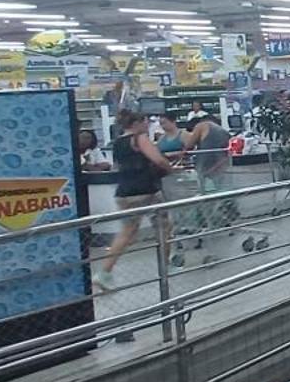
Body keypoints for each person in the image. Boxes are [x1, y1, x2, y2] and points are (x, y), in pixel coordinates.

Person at [95, 109, 178, 298]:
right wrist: (170, 168)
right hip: (146, 191)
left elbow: (119, 166)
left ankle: (105, 272)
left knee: (127, 232)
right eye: (145, 121)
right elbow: (157, 159)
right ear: (137, 123)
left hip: (124, 192)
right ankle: (165, 266)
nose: (148, 125)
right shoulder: (140, 138)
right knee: (164, 227)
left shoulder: (117, 143)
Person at [179, 109, 233, 266]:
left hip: (203, 168)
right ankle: (218, 223)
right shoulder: (224, 132)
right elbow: (226, 155)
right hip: (219, 168)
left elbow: (188, 146)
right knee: (217, 198)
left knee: (203, 199)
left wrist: (181, 156)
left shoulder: (202, 125)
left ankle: (205, 226)